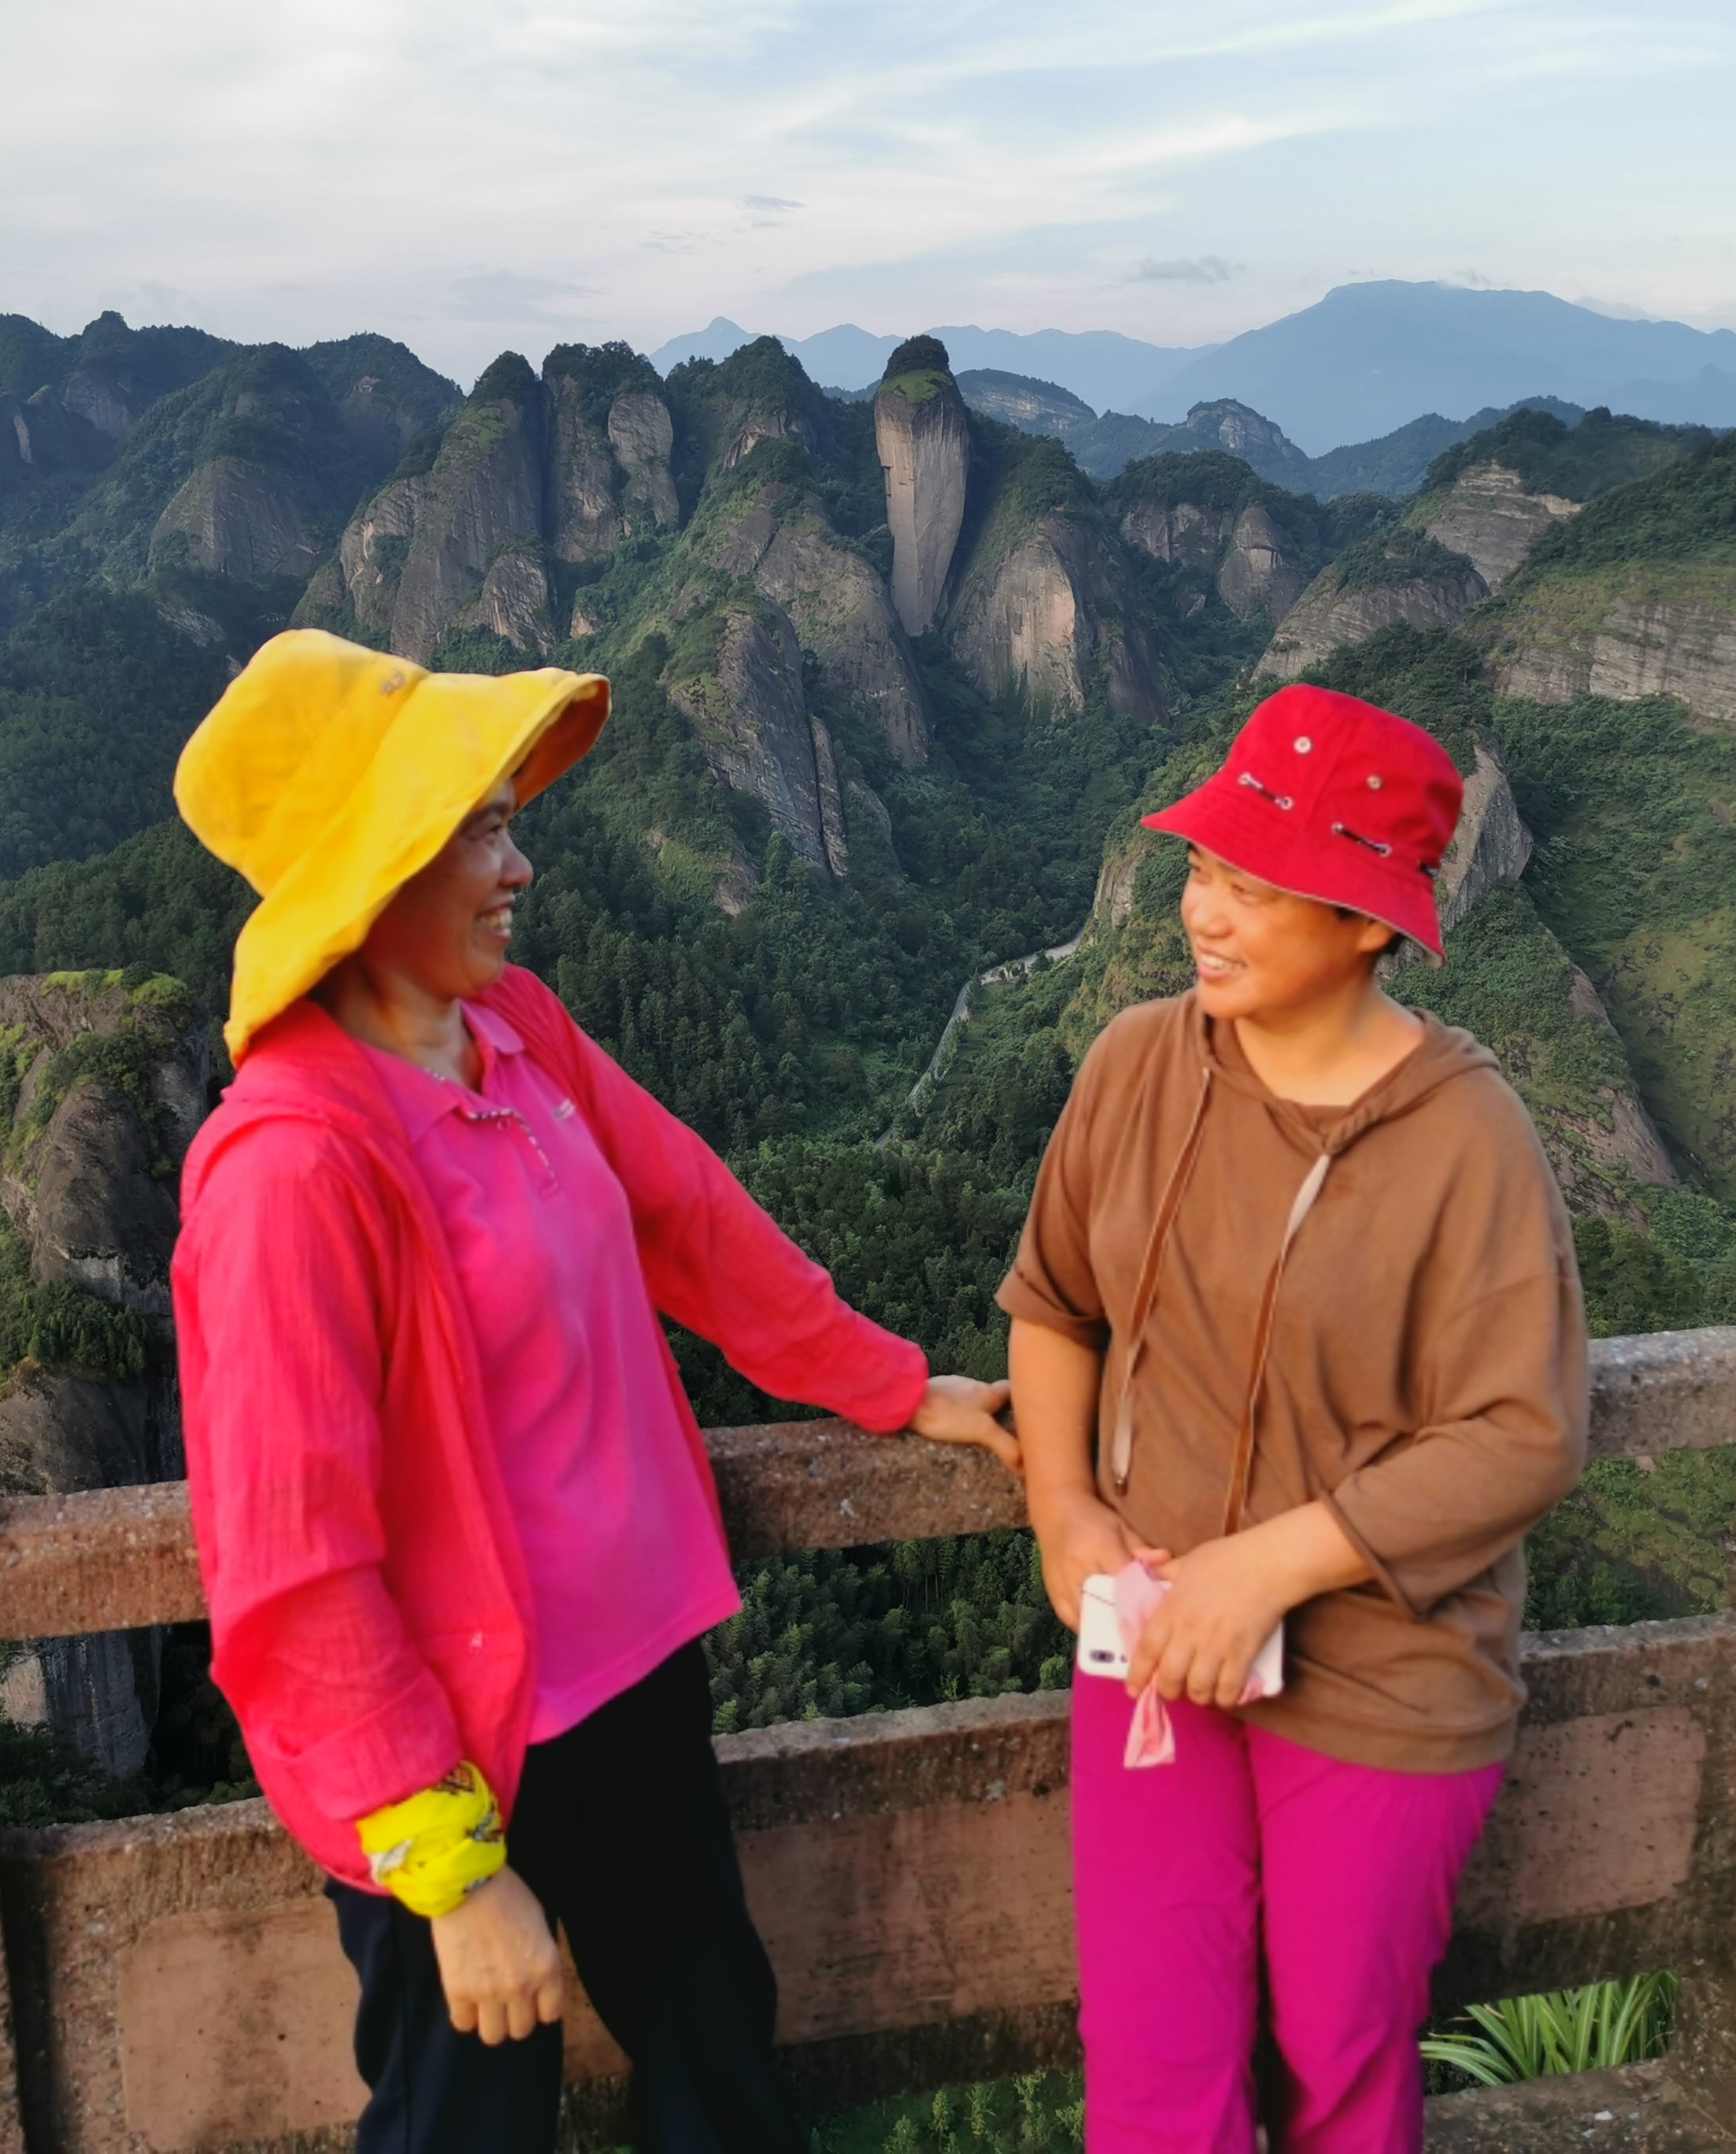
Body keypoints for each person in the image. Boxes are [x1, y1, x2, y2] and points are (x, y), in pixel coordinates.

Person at [168, 631, 1016, 2154]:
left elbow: (689, 1217)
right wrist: (455, 1876)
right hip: (457, 1755)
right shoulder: (292, 1170)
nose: (521, 866)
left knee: (721, 2074)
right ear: (378, 866)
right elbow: (294, 1572)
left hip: (632, 1685)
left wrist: (890, 1383)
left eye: (508, 823)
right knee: (468, 2126)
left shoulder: (517, 1030)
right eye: (482, 832)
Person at [999, 683, 1589, 2154]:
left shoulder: (1467, 1138)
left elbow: (1522, 1431)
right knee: (1153, 2057)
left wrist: (1272, 1565)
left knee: (1336, 2058)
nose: (1207, 915)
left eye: (1258, 890)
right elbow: (1054, 1303)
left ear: (1370, 925)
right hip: (1154, 1642)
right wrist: (1063, 1510)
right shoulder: (1138, 1063)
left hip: (1382, 1670)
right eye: (1206, 870)